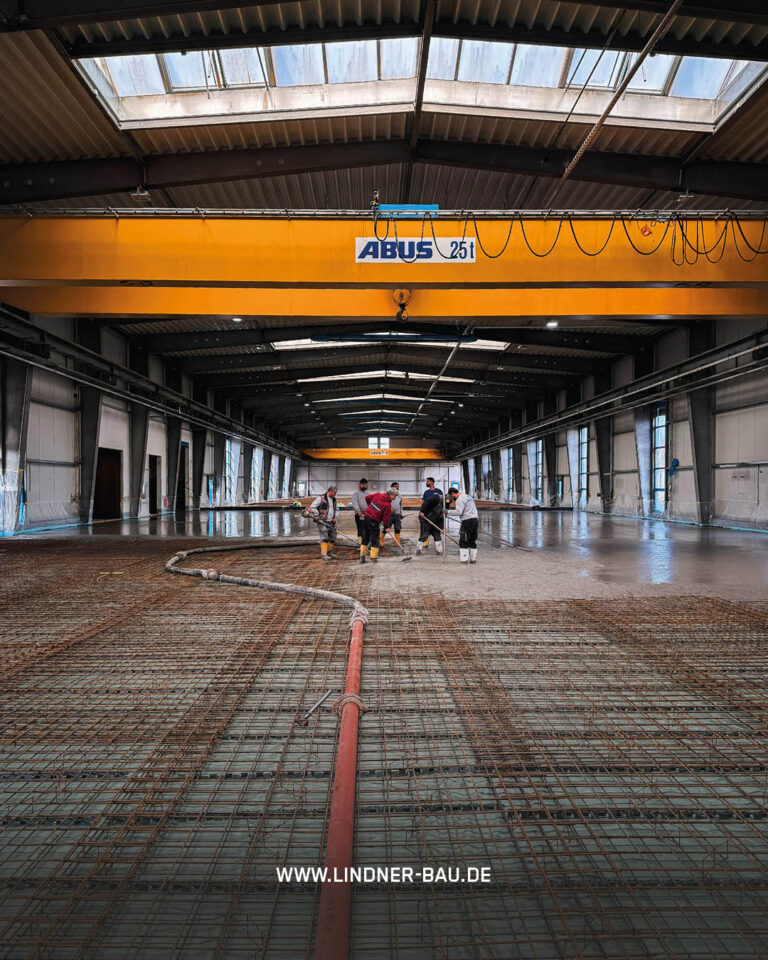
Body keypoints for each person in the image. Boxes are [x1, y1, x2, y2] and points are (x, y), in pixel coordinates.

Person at [360, 488, 395, 563]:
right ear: (390, 494)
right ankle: (373, 558)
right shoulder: (387, 504)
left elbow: (367, 498)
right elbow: (386, 518)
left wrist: (371, 506)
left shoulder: (377, 495)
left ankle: (362, 558)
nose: (395, 497)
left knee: (365, 538)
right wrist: (386, 527)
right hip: (374, 521)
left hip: (366, 518)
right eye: (394, 495)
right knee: (375, 539)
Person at [447, 487, 479, 564]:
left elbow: (459, 512)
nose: (452, 499)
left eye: (452, 497)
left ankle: (464, 560)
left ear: (453, 493)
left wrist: (447, 511)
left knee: (463, 540)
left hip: (467, 521)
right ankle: (473, 560)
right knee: (472, 541)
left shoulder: (459, 499)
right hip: (475, 520)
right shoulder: (468, 496)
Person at [306, 485, 338, 560]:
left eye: (336, 493)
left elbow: (337, 509)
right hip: (322, 521)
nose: (335, 494)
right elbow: (312, 507)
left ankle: (329, 552)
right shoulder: (320, 498)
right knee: (324, 536)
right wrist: (317, 515)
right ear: (329, 491)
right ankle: (324, 555)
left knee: (333, 537)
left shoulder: (334, 500)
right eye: (334, 493)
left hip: (331, 521)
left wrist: (335, 517)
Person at [417, 476, 444, 555]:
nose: (426, 483)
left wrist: (442, 526)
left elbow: (441, 504)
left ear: (432, 482)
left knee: (436, 533)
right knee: (424, 533)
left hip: (436, 515)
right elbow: (423, 503)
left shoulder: (438, 491)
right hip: (426, 516)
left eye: (427, 481)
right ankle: (419, 549)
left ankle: (439, 550)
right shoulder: (426, 492)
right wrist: (421, 512)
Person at [350, 477, 369, 545]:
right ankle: (360, 544)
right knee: (360, 529)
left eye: (365, 485)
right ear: (360, 485)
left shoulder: (368, 494)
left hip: (367, 514)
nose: (364, 486)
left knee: (367, 529)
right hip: (359, 514)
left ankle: (365, 543)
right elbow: (355, 503)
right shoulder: (356, 494)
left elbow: (369, 503)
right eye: (363, 485)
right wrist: (358, 510)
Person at [385, 482, 403, 547]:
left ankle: (397, 543)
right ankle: (380, 541)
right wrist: (390, 509)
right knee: (386, 528)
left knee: (398, 529)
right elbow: (385, 504)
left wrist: (401, 513)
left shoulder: (399, 496)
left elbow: (401, 505)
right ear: (392, 487)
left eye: (398, 486)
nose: (397, 487)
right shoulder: (388, 495)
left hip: (397, 515)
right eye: (395, 486)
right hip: (389, 515)